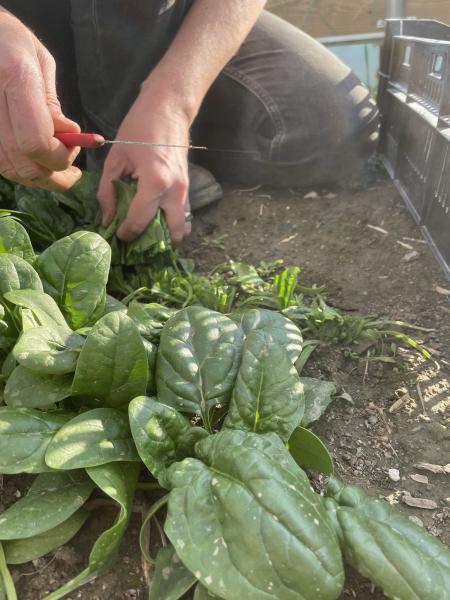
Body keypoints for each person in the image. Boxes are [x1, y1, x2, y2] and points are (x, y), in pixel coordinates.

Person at [0, 1, 379, 243]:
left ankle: (139, 145)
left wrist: (173, 101)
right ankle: (112, 161)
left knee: (335, 123)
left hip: (163, 20)